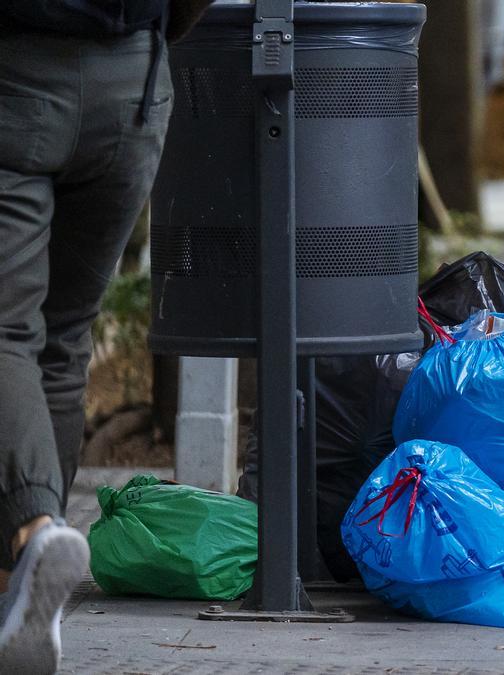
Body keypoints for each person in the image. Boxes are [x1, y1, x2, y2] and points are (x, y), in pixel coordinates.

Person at [0, 1, 212, 671]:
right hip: (133, 84)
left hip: (19, 67)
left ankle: (34, 532)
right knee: (63, 336)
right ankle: (26, 593)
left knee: (7, 329)